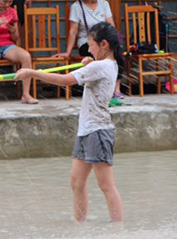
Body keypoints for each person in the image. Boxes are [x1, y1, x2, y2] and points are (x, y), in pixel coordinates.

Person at [15, 22, 124, 222]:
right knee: (76, 182)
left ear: (104, 44)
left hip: (98, 131)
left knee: (106, 186)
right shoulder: (104, 65)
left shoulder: (101, 66)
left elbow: (65, 81)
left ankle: (118, 229)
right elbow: (93, 72)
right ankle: (79, 225)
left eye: (91, 46)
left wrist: (31, 72)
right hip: (87, 130)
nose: (89, 50)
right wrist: (89, 64)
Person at [54, 0, 123, 96]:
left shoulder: (104, 4)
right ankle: (98, 88)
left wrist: (116, 41)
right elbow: (73, 30)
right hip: (87, 43)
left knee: (118, 53)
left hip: (105, 41)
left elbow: (111, 25)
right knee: (96, 56)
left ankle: (116, 89)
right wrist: (68, 52)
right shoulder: (77, 7)